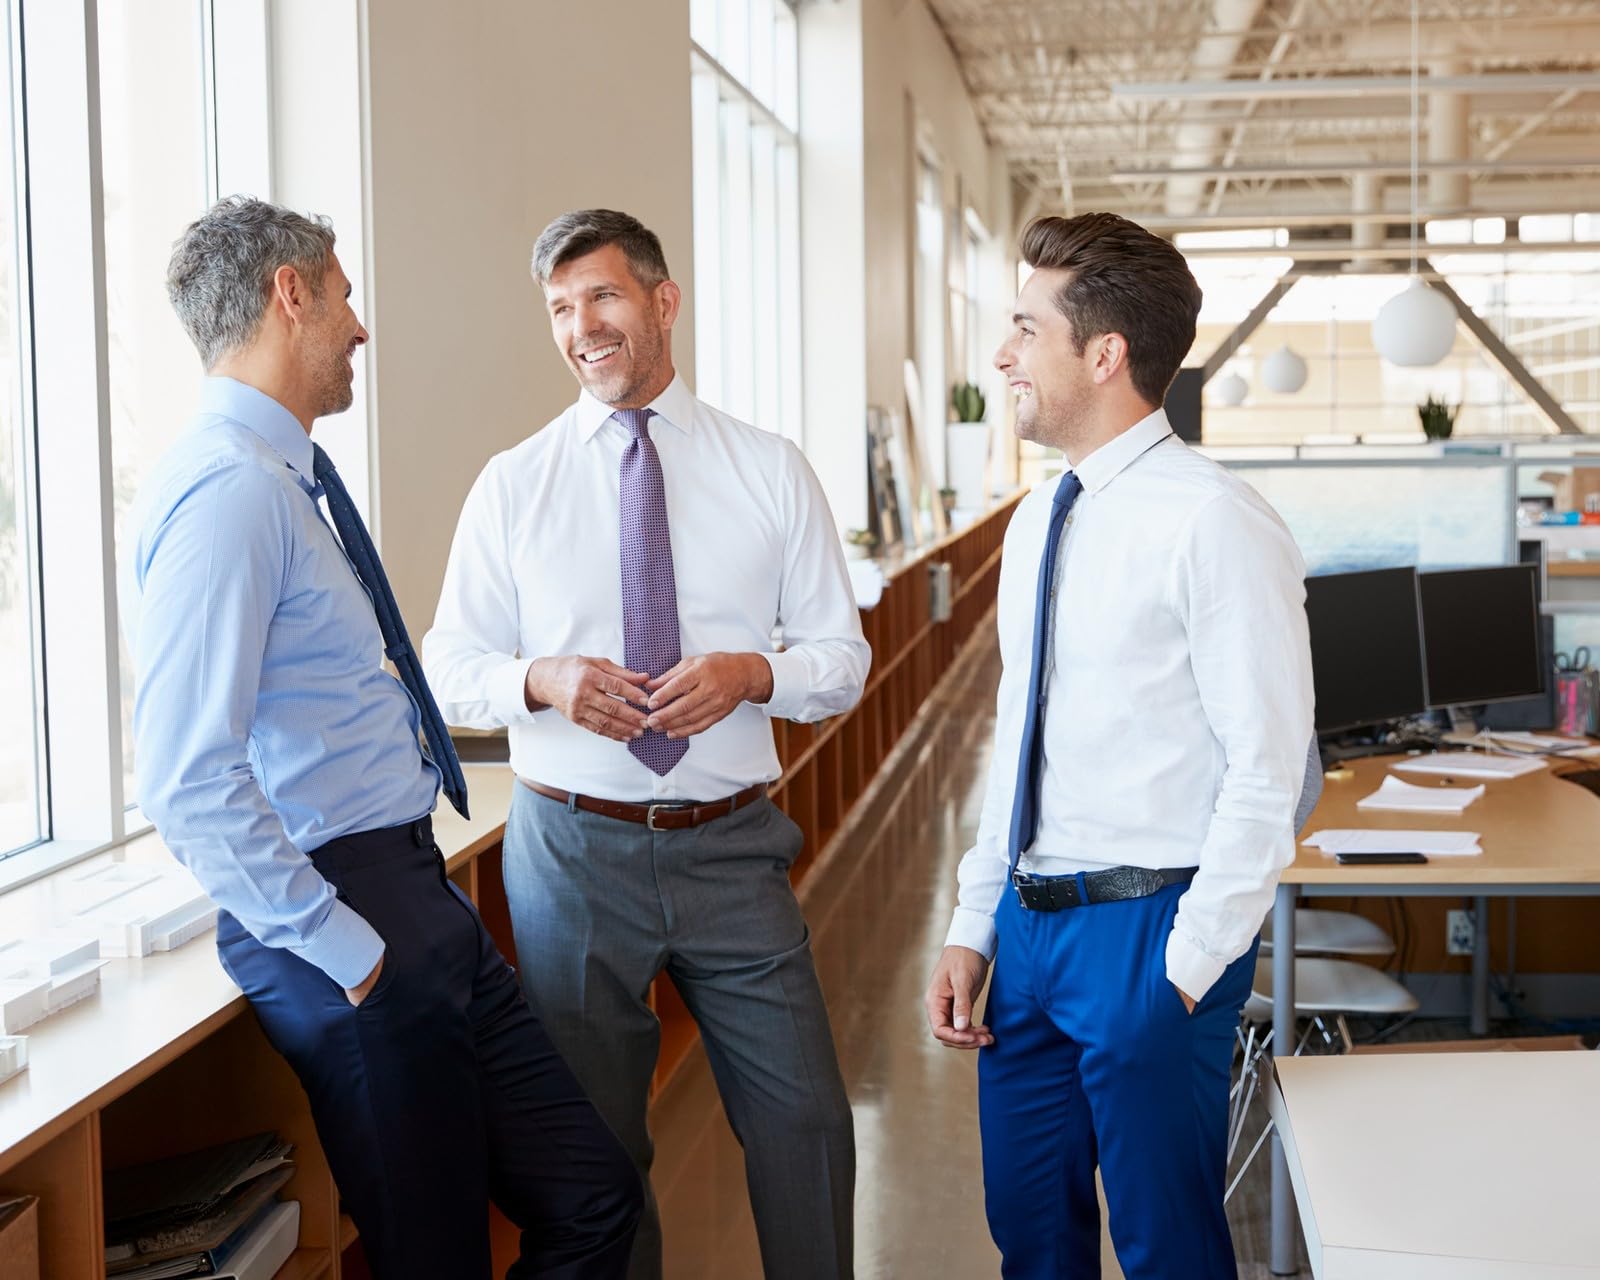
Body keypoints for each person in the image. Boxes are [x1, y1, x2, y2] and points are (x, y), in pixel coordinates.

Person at [125, 195, 641, 1280]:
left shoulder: (285, 480)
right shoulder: (228, 492)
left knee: (594, 1194)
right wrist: (347, 950)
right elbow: (185, 774)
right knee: (433, 1259)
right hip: (344, 915)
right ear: (290, 292)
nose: (359, 325)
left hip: (413, 888)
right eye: (345, 293)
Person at [423, 208, 868, 1280]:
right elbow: (447, 661)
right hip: (571, 858)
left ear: (663, 302)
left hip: (733, 846)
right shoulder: (513, 482)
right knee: (597, 1153)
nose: (584, 327)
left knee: (806, 1122)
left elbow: (840, 658)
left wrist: (751, 673)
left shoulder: (767, 468)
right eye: (561, 308)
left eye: (604, 296)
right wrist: (543, 678)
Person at [923, 212, 1314, 1279]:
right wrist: (973, 917)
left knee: (1167, 1250)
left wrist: (1187, 967)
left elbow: (1269, 767)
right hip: (1028, 935)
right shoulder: (1038, 516)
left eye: (1022, 327)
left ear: (1104, 354)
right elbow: (1018, 733)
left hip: (1149, 929)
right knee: (1030, 1240)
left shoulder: (1215, 520)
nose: (1002, 353)